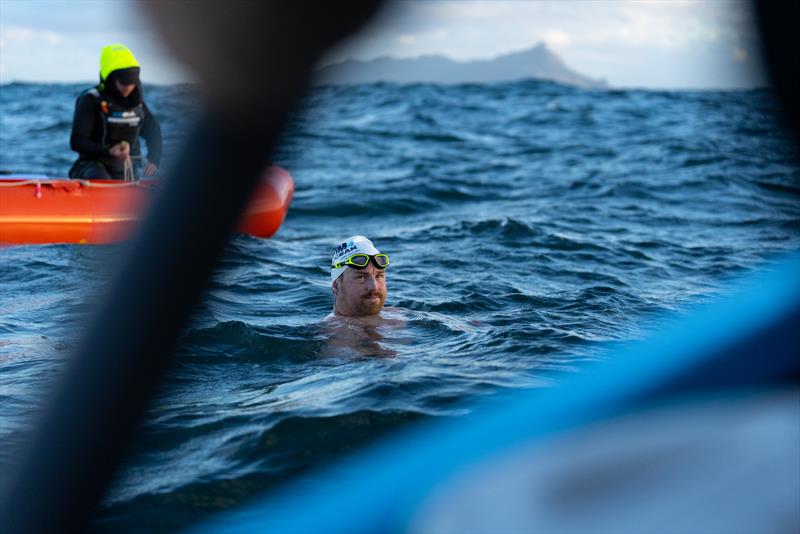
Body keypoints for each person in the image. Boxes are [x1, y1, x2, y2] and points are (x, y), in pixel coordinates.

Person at [68, 44, 162, 180]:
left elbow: (154, 131)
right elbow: (77, 141)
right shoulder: (91, 100)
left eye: (132, 83)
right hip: (93, 167)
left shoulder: (138, 104)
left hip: (128, 170)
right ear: (111, 80)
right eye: (123, 83)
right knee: (101, 177)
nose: (128, 88)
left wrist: (154, 158)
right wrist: (109, 150)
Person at [329, 235, 391, 318]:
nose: (374, 287)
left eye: (379, 276)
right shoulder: (329, 326)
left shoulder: (400, 315)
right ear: (336, 286)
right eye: (361, 277)